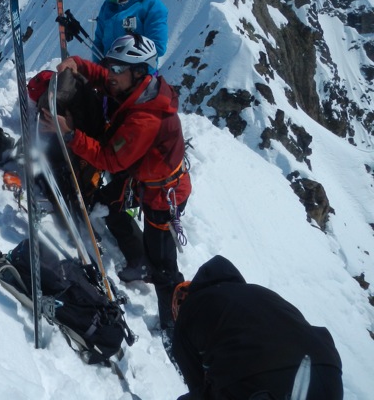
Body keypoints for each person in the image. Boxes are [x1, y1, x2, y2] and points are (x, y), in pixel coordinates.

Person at [43, 34, 190, 332]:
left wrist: (70, 135)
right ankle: (139, 259)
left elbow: (109, 160)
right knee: (110, 204)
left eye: (118, 69)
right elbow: (104, 80)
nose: (111, 74)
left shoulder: (145, 120)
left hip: (162, 196)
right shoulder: (137, 89)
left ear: (138, 74)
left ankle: (173, 324)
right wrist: (79, 65)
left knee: (164, 266)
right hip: (143, 179)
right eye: (112, 67)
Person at [171, 255, 343, 400]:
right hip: (326, 369)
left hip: (260, 379)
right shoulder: (261, 292)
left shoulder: (190, 309)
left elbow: (197, 383)